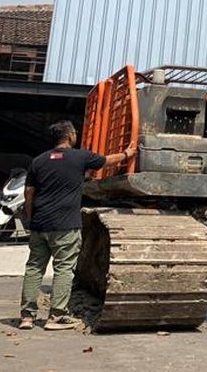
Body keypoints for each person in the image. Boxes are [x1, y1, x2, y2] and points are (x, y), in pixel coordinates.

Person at [18, 120, 132, 330]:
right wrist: (127, 154)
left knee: (34, 268)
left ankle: (27, 317)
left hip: (40, 224)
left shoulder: (38, 161)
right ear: (70, 136)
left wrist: (30, 217)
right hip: (65, 225)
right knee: (63, 269)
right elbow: (107, 161)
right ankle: (56, 317)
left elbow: (29, 194)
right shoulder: (80, 157)